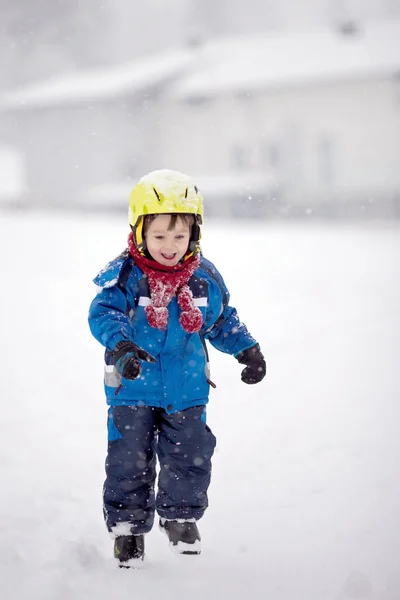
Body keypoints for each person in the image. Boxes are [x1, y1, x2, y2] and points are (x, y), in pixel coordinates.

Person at [88, 169, 266, 567]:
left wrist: (246, 349)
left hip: (187, 388)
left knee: (190, 455)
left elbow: (221, 320)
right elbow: (104, 314)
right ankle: (128, 529)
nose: (170, 246)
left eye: (180, 236)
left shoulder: (203, 278)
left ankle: (180, 516)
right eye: (159, 236)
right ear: (139, 233)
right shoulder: (126, 277)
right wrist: (122, 346)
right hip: (131, 388)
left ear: (195, 235)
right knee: (128, 459)